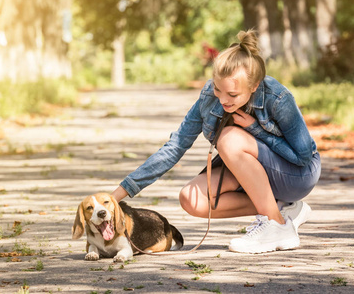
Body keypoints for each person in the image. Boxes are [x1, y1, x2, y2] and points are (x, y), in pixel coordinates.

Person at [111, 30, 321, 254]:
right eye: (217, 88)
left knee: (228, 139)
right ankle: (282, 210)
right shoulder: (208, 98)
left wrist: (254, 129)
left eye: (232, 94)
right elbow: (175, 147)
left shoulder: (277, 98)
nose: (222, 100)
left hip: (297, 175)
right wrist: (116, 196)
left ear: (254, 85)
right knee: (190, 198)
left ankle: (276, 225)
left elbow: (303, 157)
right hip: (252, 171)